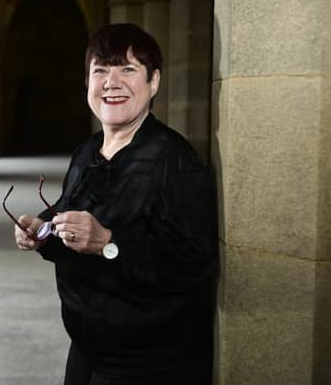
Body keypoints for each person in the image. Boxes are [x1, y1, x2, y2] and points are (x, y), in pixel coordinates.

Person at [13, 23, 217, 384]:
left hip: (149, 363)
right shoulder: (88, 151)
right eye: (101, 70)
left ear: (154, 82)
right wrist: (42, 230)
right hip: (87, 351)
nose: (111, 82)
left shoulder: (175, 160)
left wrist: (109, 243)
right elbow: (71, 209)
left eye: (128, 69)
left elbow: (194, 264)